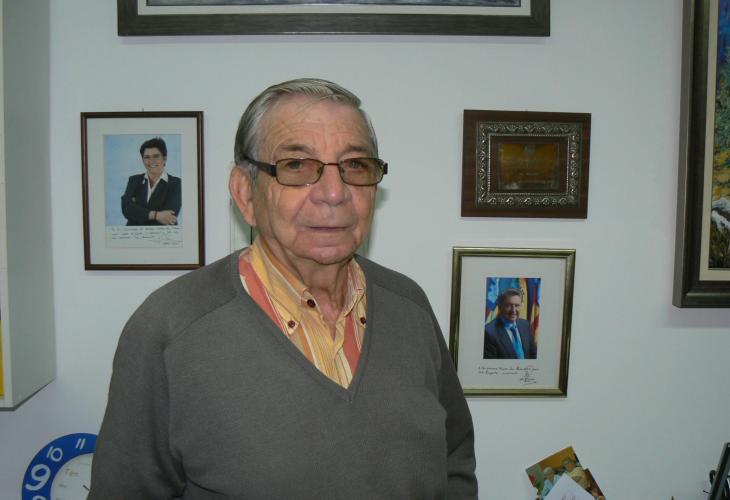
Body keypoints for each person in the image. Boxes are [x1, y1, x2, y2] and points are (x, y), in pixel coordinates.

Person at [89, 78, 478, 499]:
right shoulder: (171, 328)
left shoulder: (409, 306)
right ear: (245, 193)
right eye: (296, 166)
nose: (334, 193)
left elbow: (453, 459)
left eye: (355, 166)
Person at [120, 136, 181, 226]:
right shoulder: (134, 180)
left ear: (164, 159)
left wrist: (136, 210)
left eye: (156, 156)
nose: (151, 161)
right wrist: (156, 215)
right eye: (147, 157)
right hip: (134, 234)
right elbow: (126, 208)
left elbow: (169, 218)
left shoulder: (177, 183)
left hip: (162, 234)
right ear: (142, 160)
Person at [483, 287, 537, 359]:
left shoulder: (525, 325)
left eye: (517, 305)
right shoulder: (489, 332)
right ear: (500, 307)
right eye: (508, 305)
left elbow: (533, 354)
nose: (513, 310)